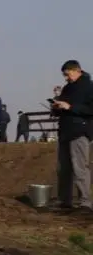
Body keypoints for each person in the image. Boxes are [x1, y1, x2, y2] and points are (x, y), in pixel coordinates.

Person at [52, 60, 93, 210]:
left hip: (79, 131)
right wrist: (56, 107)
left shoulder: (89, 87)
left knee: (80, 167)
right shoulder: (67, 89)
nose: (66, 78)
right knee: (63, 168)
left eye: (67, 74)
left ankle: (85, 202)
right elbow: (63, 108)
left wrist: (71, 107)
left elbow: (90, 110)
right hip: (65, 131)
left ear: (77, 70)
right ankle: (64, 200)